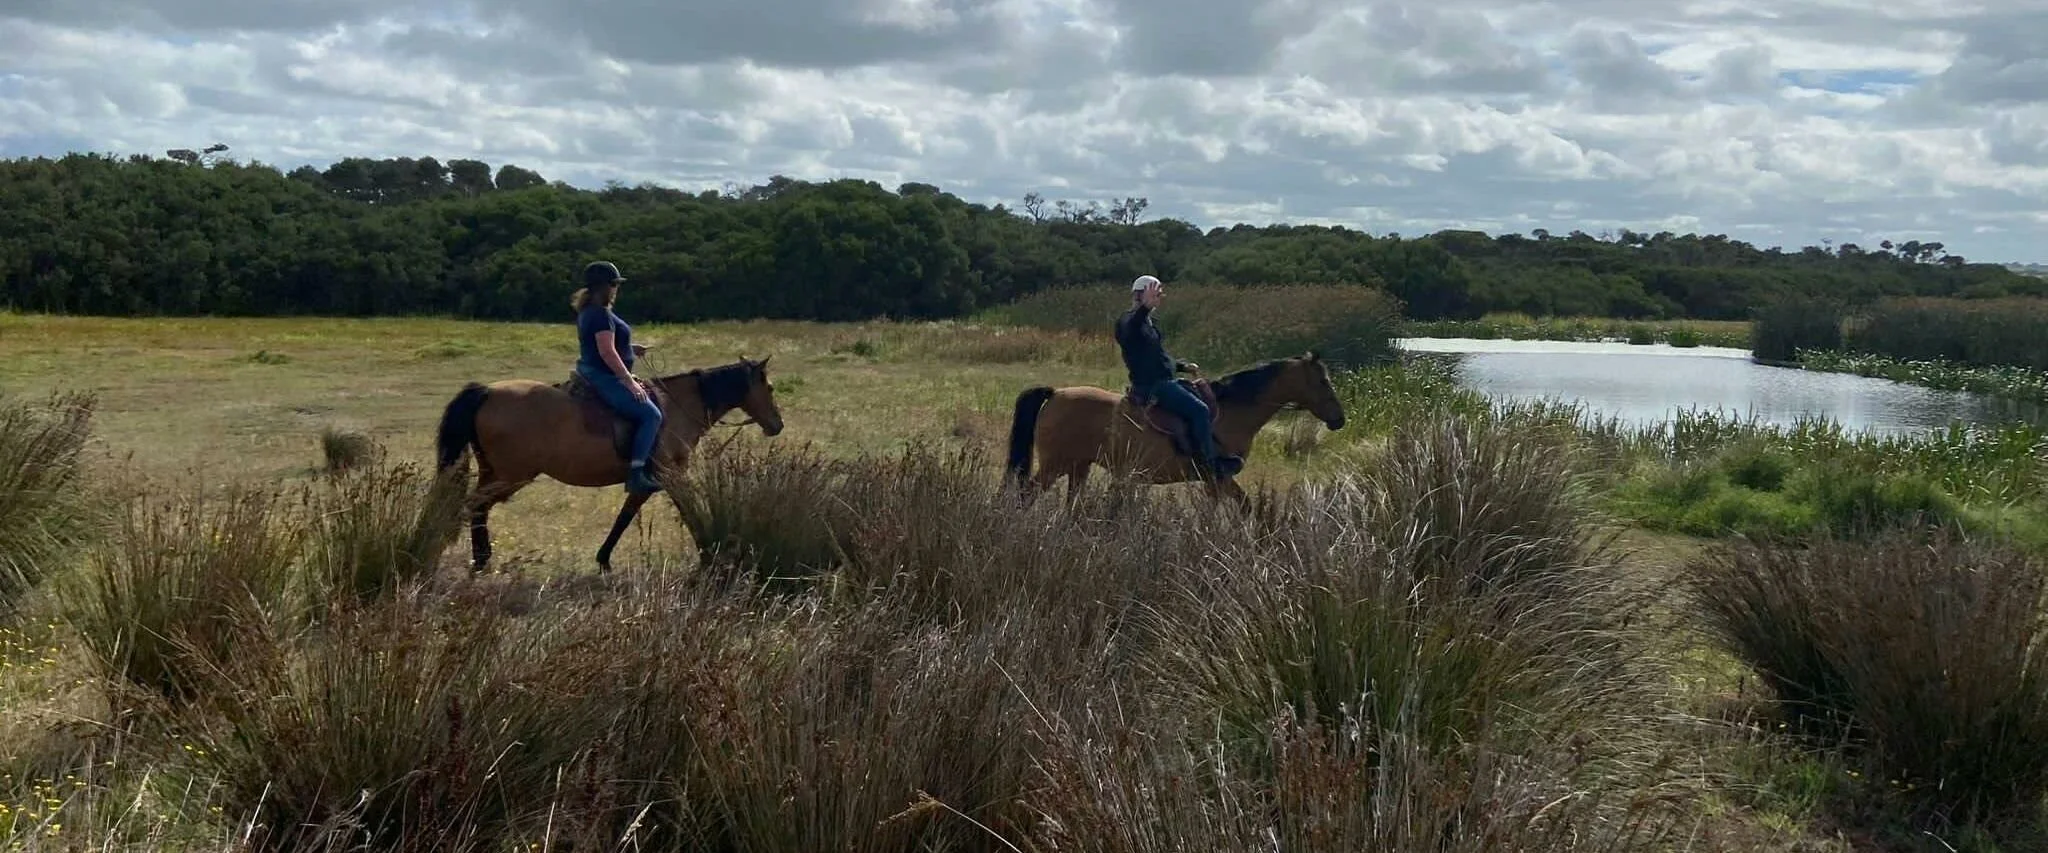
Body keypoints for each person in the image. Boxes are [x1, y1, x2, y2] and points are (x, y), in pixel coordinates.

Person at [1115, 274, 1242, 479]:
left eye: (1158, 295)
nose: (1158, 298)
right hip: (1151, 386)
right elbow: (1131, 330)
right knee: (1199, 410)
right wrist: (1144, 308)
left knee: (1203, 399)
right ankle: (1209, 465)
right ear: (1139, 295)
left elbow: (1158, 357)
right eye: (1154, 294)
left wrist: (1182, 366)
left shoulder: (1149, 323)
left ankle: (1198, 450)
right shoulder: (1128, 321)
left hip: (1164, 381)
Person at [572, 260, 663, 494]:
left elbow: (603, 345)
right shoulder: (601, 314)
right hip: (604, 376)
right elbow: (606, 351)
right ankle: (636, 474)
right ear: (603, 286)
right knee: (651, 414)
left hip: (591, 370)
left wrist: (631, 349)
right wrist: (629, 381)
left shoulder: (588, 311)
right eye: (614, 284)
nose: (616, 289)